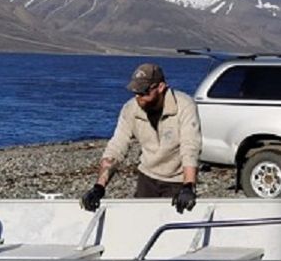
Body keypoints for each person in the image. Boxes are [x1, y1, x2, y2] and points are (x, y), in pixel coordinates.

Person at [81, 63, 200, 214]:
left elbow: (190, 147)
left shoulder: (185, 106)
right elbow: (117, 146)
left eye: (143, 92)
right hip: (147, 178)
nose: (139, 98)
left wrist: (188, 186)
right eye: (135, 92)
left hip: (177, 180)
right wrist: (99, 187)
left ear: (160, 87)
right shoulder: (130, 109)